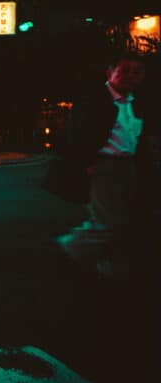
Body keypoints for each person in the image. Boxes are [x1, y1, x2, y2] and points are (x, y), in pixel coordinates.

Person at [57, 53, 153, 278]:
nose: (131, 76)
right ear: (110, 73)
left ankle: (109, 261)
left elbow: (139, 139)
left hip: (128, 166)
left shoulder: (136, 102)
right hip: (104, 166)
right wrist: (87, 163)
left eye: (137, 72)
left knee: (127, 218)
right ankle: (70, 247)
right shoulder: (95, 99)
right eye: (124, 70)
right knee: (106, 220)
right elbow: (77, 134)